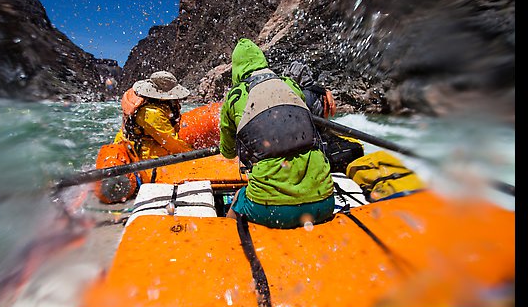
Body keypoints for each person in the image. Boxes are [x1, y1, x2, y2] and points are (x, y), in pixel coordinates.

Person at [219, 38, 335, 229]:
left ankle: (226, 244)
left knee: (240, 197)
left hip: (270, 210)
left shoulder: (234, 97)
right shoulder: (289, 83)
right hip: (324, 202)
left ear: (236, 68)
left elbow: (228, 152)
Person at [94, 70, 193, 203]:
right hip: (147, 165)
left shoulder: (141, 102)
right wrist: (193, 153)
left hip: (134, 152)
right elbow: (174, 145)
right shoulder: (151, 114)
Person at [282, 61, 364, 174]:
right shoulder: (317, 93)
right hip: (314, 139)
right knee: (355, 148)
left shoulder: (294, 93)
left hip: (304, 141)